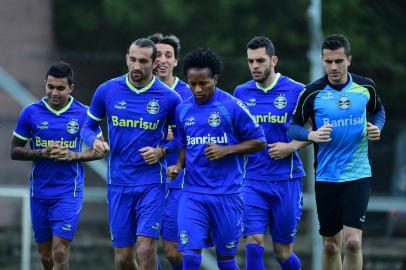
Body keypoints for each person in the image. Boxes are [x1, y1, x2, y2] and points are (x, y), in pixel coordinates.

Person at [80, 38, 181, 270]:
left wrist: (162, 151)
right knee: (124, 259)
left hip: (152, 183)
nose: (137, 66)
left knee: (146, 250)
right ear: (127, 58)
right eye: (133, 60)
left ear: (155, 63)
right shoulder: (107, 90)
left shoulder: (169, 98)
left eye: (143, 61)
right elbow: (87, 126)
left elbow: (182, 138)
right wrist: (94, 140)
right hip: (118, 183)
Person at [288, 34, 385, 270]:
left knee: (352, 242)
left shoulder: (365, 87)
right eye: (328, 61)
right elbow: (293, 127)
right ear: (322, 61)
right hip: (326, 177)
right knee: (331, 245)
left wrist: (377, 128)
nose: (333, 67)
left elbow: (379, 112)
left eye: (338, 61)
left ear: (349, 60)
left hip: (358, 174)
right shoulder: (312, 93)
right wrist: (311, 135)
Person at [167, 47, 266, 270]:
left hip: (227, 195)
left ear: (215, 79)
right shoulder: (183, 109)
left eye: (203, 83)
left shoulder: (231, 106)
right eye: (192, 84)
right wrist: (178, 165)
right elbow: (184, 143)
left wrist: (227, 150)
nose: (197, 89)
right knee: (190, 257)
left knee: (226, 261)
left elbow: (260, 141)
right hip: (193, 194)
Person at [11, 61, 104, 270]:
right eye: (50, 87)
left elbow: (98, 151)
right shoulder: (30, 113)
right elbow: (15, 151)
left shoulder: (84, 114)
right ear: (45, 84)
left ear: (71, 88)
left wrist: (73, 156)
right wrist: (42, 152)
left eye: (60, 88)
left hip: (68, 193)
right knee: (46, 257)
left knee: (60, 251)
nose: (54, 92)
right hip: (39, 192)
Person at [233, 36, 311, 270]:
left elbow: (316, 129)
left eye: (260, 60)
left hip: (286, 180)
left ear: (273, 60)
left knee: (283, 252)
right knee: (254, 243)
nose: (255, 66)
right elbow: (235, 132)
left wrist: (291, 147)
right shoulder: (241, 93)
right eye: (250, 61)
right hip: (252, 181)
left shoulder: (297, 91)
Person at [148, 33, 191, 270]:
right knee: (144, 247)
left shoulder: (188, 92)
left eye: (168, 55)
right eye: (157, 55)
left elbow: (195, 133)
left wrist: (165, 144)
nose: (162, 60)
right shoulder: (141, 92)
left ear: (176, 61)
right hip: (146, 181)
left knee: (174, 251)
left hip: (179, 181)